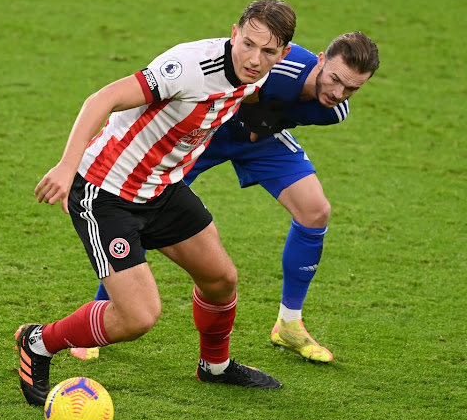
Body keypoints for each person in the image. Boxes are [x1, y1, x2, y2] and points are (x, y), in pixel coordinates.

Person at [15, 0, 296, 406]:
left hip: (162, 188)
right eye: (248, 44)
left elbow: (262, 92)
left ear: (282, 53)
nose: (255, 59)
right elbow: (101, 99)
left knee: (221, 280)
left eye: (268, 51)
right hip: (105, 190)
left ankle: (214, 367)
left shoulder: (259, 73)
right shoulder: (188, 66)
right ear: (234, 34)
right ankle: (38, 342)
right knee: (138, 317)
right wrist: (65, 167)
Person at [90, 31, 379, 364]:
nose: (338, 93)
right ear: (320, 60)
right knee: (145, 204)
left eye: (353, 89)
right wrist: (252, 110)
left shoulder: (335, 111)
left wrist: (264, 120)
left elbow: (272, 119)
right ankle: (101, 313)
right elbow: (225, 64)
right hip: (207, 130)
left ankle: (289, 323)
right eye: (334, 80)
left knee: (315, 210)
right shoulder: (282, 64)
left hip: (256, 141)